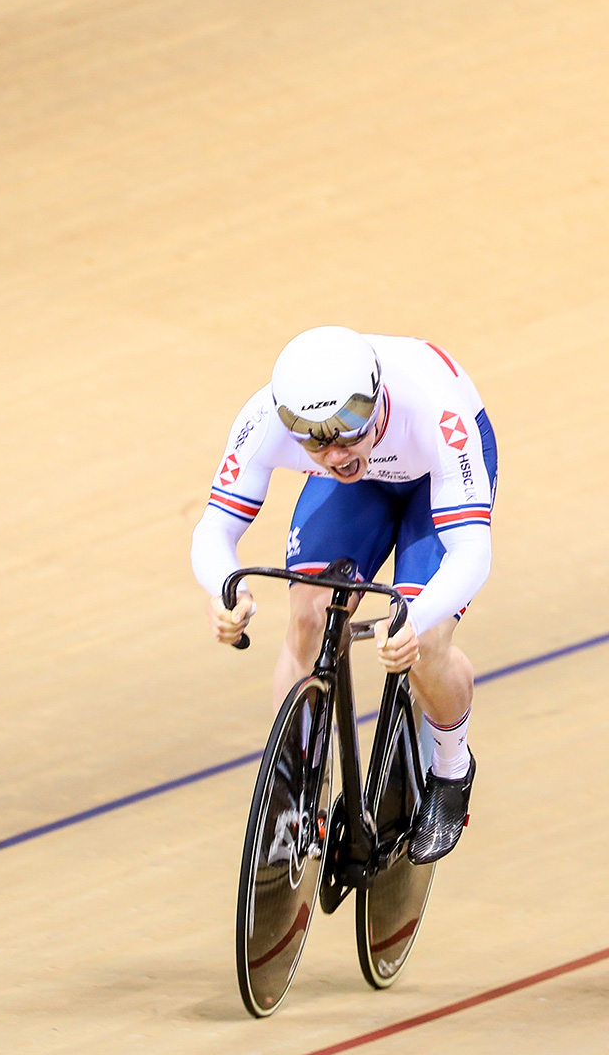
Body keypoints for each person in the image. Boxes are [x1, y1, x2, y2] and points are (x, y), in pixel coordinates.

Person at [191, 325, 497, 865]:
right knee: (308, 613)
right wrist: (222, 589)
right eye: (313, 439)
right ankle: (296, 790)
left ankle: (451, 769)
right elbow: (215, 528)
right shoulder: (266, 417)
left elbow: (472, 553)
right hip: (364, 494)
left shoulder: (433, 409)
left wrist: (416, 614)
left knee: (423, 641)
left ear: (377, 397)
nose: (334, 453)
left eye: (348, 430)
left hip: (435, 480)